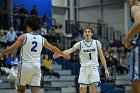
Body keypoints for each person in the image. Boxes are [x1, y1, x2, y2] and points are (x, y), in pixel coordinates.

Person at [0, 16, 69, 93]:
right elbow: (53, 48)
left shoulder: (24, 37)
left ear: (28, 26)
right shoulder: (42, 39)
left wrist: (1, 54)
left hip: (25, 66)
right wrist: (63, 54)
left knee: (21, 90)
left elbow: (11, 49)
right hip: (36, 66)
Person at [55, 26, 109, 93]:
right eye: (85, 32)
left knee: (93, 89)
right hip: (84, 68)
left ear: (91, 34)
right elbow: (69, 51)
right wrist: (59, 53)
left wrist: (106, 68)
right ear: (83, 34)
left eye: (89, 32)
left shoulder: (96, 43)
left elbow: (102, 56)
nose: (87, 33)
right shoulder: (80, 44)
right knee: (82, 90)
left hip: (94, 68)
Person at [125, 0, 140, 93]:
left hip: (138, 49)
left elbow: (139, 22)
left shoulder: (135, 7)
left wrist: (127, 38)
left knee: (136, 80)